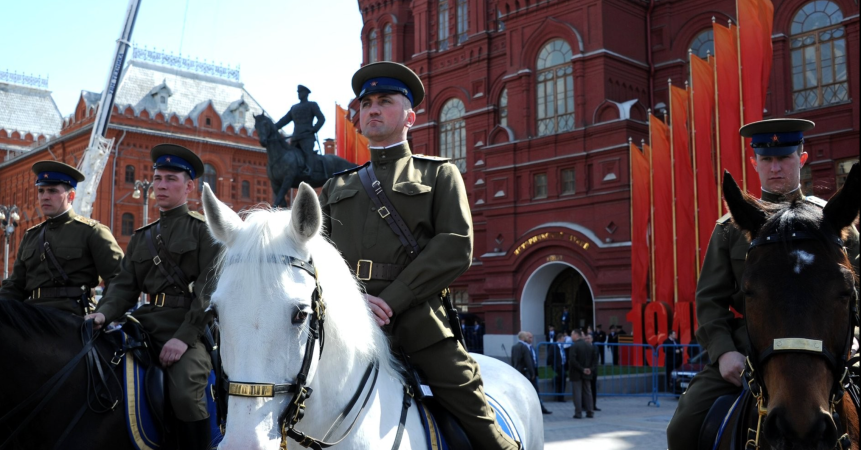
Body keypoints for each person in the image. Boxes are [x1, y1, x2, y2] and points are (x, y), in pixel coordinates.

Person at [318, 61, 520, 450]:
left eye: (385, 101)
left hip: (419, 325)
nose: (372, 108)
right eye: (367, 103)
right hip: (345, 325)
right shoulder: (335, 186)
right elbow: (316, 254)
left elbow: (456, 245)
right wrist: (352, 303)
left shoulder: (440, 175)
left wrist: (388, 302)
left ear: (409, 117)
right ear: (357, 118)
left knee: (475, 414)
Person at [666, 118, 861, 449]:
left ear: (801, 158)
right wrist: (724, 351)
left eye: (784, 158)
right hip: (749, 353)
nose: (775, 168)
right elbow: (709, 300)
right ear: (754, 163)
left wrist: (855, 338)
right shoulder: (730, 229)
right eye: (767, 160)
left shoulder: (835, 223)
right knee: (682, 427)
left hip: (831, 349)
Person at [84, 144, 222, 450]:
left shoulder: (204, 232)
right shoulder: (142, 236)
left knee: (186, 393)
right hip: (144, 326)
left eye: (170, 179)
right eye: (157, 178)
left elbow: (208, 291)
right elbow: (123, 286)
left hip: (188, 329)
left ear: (189, 186)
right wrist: (103, 314)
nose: (160, 185)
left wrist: (185, 338)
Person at [0, 161, 123, 316]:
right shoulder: (31, 236)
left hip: (72, 317)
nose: (44, 197)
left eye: (52, 191)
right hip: (31, 315)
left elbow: (120, 279)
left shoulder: (92, 232)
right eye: (41, 191)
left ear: (71, 196)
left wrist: (104, 313)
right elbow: (14, 287)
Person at [274, 84, 325, 175]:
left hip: (307, 136)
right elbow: (285, 120)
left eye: (301, 92)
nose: (299, 94)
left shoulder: (312, 105)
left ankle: (309, 171)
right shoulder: (294, 108)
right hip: (295, 137)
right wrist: (274, 127)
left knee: (307, 153)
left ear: (306, 93)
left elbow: (321, 118)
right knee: (289, 154)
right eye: (298, 92)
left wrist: (314, 129)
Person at [512, 331, 552, 415]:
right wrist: (532, 373)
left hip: (519, 372)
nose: (530, 339)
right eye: (528, 337)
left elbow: (513, 361)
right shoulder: (524, 347)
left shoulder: (516, 347)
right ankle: (538, 408)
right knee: (534, 391)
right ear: (524, 337)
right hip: (526, 373)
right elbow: (528, 361)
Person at [568, 329, 596, 418]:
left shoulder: (574, 346)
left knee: (577, 393)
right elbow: (594, 361)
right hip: (588, 373)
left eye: (572, 335)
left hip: (577, 373)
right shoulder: (589, 346)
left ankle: (578, 412)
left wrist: (582, 369)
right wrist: (589, 369)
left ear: (576, 335)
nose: (571, 337)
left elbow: (572, 360)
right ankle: (590, 411)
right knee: (588, 392)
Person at [546, 333, 567, 402]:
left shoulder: (562, 346)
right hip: (557, 366)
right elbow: (550, 357)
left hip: (562, 365)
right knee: (562, 377)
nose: (564, 340)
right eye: (563, 338)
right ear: (560, 338)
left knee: (563, 378)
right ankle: (560, 397)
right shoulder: (553, 346)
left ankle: (561, 396)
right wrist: (554, 364)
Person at [584, 334, 601, 411]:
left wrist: (591, 369)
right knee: (585, 389)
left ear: (592, 339)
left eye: (589, 338)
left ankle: (593, 405)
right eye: (586, 338)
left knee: (593, 389)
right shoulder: (583, 347)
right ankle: (585, 405)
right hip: (585, 371)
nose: (587, 339)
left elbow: (596, 360)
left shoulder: (595, 347)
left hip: (593, 371)